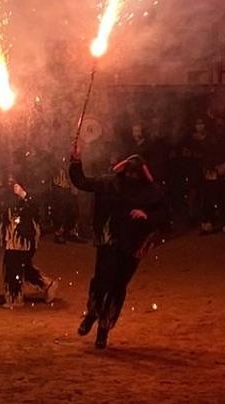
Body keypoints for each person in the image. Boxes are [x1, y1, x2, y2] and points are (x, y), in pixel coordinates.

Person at [69, 149, 165, 349]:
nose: (131, 177)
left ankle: (103, 329)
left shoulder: (152, 192)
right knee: (102, 282)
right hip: (109, 241)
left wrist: (146, 215)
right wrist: (76, 161)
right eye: (128, 173)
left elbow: (164, 216)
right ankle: (92, 314)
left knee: (118, 286)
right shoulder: (110, 183)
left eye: (135, 174)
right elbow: (82, 182)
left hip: (132, 245)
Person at [0, 179, 59, 308]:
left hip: (24, 236)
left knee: (14, 264)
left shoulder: (32, 186)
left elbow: (36, 207)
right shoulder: (4, 193)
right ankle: (46, 285)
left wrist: (24, 195)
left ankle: (15, 297)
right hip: (12, 236)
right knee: (22, 266)